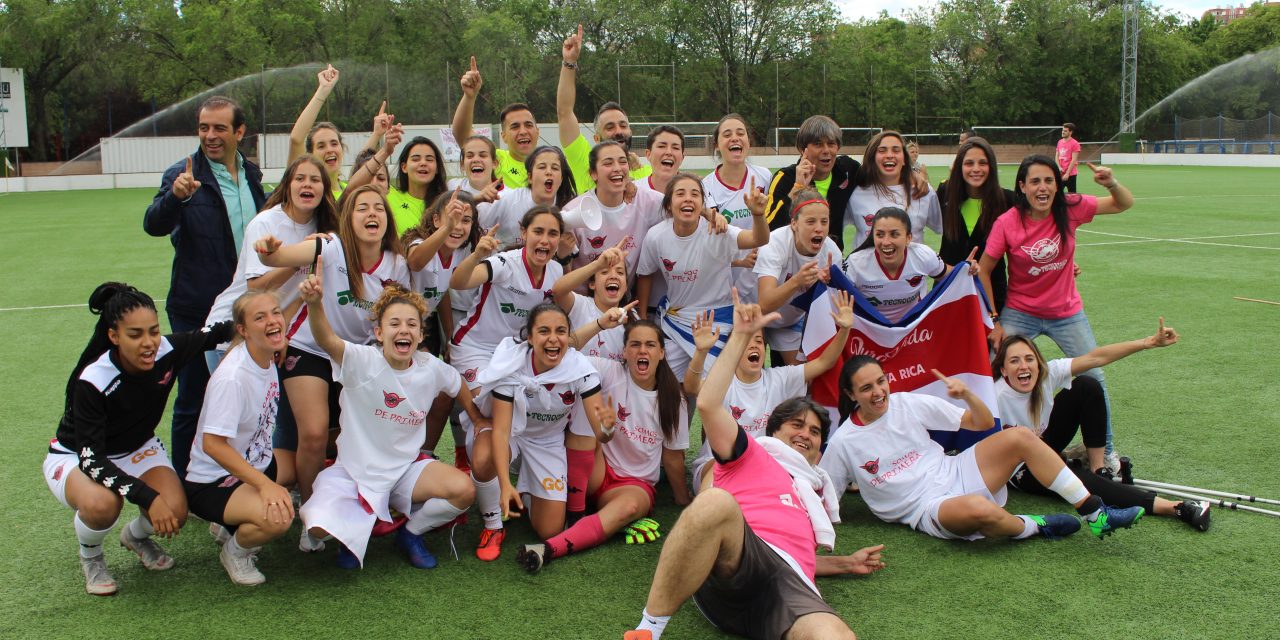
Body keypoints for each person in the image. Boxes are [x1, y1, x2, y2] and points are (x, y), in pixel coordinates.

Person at [625, 292, 886, 640]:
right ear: (773, 432)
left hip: (789, 585)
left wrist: (845, 562)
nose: (806, 435)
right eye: (797, 425)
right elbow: (707, 403)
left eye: (814, 432)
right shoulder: (754, 453)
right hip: (737, 558)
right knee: (715, 500)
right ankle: (649, 629)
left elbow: (795, 556)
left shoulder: (818, 492)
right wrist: (740, 335)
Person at [820, 356, 1144, 541]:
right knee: (979, 510)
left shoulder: (906, 403)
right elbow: (826, 498)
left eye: (881, 381)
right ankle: (1035, 526)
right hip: (926, 507)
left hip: (954, 469)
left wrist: (967, 396)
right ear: (851, 395)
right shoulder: (844, 441)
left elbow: (983, 422)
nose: (878, 392)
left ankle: (1095, 513)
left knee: (1020, 437)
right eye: (866, 387)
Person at [45, 283, 233, 595]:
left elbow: (218, 331)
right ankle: (91, 557)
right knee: (103, 504)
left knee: (175, 511)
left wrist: (268, 323)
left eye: (153, 331)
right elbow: (93, 461)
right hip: (77, 456)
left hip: (136, 448)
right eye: (135, 335)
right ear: (114, 336)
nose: (148, 343)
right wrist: (148, 497)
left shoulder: (167, 351)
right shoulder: (92, 380)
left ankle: (134, 536)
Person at [255, 184, 410, 552]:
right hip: (309, 347)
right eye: (362, 208)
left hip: (356, 356)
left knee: (357, 435)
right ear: (347, 219)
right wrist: (269, 250)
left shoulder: (396, 265)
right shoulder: (330, 247)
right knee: (313, 433)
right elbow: (277, 258)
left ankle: (355, 503)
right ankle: (312, 515)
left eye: (378, 208)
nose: (372, 214)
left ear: (387, 219)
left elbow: (399, 318)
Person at [297, 273, 480, 569]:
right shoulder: (362, 361)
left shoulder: (430, 367)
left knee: (464, 490)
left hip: (405, 470)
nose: (403, 330)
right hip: (355, 473)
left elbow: (458, 383)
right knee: (316, 528)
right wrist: (315, 304)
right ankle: (352, 532)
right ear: (379, 333)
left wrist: (478, 419)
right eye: (394, 324)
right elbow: (327, 340)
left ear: (421, 335)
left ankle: (410, 534)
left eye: (411, 324)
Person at [978, 158, 1134, 470]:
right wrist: (994, 320)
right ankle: (988, 446)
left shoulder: (1070, 207)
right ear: (1022, 186)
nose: (1043, 188)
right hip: (1021, 311)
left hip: (1066, 313)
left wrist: (1112, 184)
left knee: (1094, 376)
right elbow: (984, 269)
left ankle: (1105, 455)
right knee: (991, 368)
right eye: (1035, 181)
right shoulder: (1008, 222)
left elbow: (1122, 204)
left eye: (1049, 181)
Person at [143, 95, 266, 478]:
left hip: (245, 305)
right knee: (194, 396)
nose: (210, 135)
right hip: (195, 305)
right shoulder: (182, 175)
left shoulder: (251, 174)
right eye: (203, 128)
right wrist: (175, 197)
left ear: (239, 132)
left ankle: (237, 475)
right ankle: (185, 483)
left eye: (219, 128)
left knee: (247, 392)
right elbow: (153, 223)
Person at [993, 326, 1210, 531]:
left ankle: (1099, 469)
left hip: (1043, 441)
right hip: (1020, 467)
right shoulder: (995, 397)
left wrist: (1148, 342)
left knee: (1086, 385)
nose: (1024, 366)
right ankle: (1175, 507)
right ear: (1003, 370)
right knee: (1079, 480)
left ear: (1038, 363)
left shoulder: (1046, 374)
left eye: (1029, 359)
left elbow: (1096, 357)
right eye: (1014, 361)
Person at [517, 319, 691, 572]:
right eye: (635, 344)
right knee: (587, 400)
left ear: (662, 353)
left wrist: (683, 498)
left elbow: (673, 458)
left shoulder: (674, 399)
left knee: (630, 507)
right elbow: (565, 350)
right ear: (624, 352)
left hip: (633, 484)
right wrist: (599, 324)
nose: (642, 351)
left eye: (650, 345)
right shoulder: (610, 370)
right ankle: (574, 514)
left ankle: (548, 549)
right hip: (595, 469)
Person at [448, 207, 571, 560]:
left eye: (552, 233)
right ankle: (492, 523)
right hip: (477, 352)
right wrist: (477, 255)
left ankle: (528, 482)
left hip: (517, 355)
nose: (544, 240)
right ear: (524, 232)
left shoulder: (557, 271)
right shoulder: (503, 263)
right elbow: (458, 282)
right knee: (488, 425)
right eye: (538, 232)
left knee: (522, 417)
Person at [466, 304, 614, 561]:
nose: (553, 339)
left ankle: (526, 493)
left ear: (568, 336)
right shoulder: (511, 365)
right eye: (544, 331)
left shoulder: (582, 370)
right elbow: (501, 432)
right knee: (483, 458)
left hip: (547, 441)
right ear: (530, 337)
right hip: (511, 433)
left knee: (550, 530)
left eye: (561, 331)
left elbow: (601, 436)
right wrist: (504, 484)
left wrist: (608, 427)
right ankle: (493, 525)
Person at [684, 290, 856, 492]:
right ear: (734, 349)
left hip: (765, 465)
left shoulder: (780, 378)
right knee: (719, 472)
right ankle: (710, 506)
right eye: (746, 341)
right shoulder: (723, 382)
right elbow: (692, 387)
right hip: (719, 461)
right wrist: (701, 351)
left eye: (758, 340)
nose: (754, 345)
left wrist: (844, 329)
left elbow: (824, 362)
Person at [183, 291, 295, 585]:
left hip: (255, 461)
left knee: (300, 467)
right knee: (279, 518)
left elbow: (279, 324)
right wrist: (265, 486)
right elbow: (212, 445)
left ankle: (229, 523)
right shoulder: (233, 378)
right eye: (260, 317)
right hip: (213, 481)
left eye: (275, 312)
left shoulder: (264, 352)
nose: (273, 321)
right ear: (243, 330)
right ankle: (235, 552)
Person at [203, 156, 340, 370]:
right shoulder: (265, 223)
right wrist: (297, 261)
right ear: (287, 186)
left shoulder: (323, 230)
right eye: (300, 178)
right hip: (231, 332)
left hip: (269, 333)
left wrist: (283, 333)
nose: (307, 184)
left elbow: (300, 296)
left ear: (324, 189)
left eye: (315, 180)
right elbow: (256, 290)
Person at [635, 173, 769, 379]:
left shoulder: (717, 231)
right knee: (666, 383)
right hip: (676, 321)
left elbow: (757, 239)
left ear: (702, 204)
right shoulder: (655, 236)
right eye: (680, 194)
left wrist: (758, 215)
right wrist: (643, 318)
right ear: (669, 205)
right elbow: (645, 274)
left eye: (695, 194)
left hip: (718, 321)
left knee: (716, 386)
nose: (688, 199)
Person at [557, 24, 652, 192]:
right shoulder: (584, 162)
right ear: (596, 138)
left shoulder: (647, 174)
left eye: (623, 125)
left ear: (630, 132)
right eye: (609, 127)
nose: (618, 131)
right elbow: (565, 112)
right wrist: (569, 62)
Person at [841, 207, 976, 324]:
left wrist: (966, 269)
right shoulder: (856, 264)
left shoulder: (923, 255)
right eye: (880, 235)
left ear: (908, 238)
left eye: (894, 234)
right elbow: (837, 296)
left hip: (913, 328)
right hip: (871, 331)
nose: (886, 242)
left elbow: (948, 276)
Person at [754, 189, 843, 363]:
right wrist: (797, 281)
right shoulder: (775, 244)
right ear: (794, 224)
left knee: (802, 376)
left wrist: (826, 287)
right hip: (754, 315)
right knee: (750, 370)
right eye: (810, 222)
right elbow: (764, 304)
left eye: (824, 222)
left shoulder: (832, 254)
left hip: (790, 320)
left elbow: (834, 310)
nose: (819, 228)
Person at [561, 141, 663, 279]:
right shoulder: (572, 212)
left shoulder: (647, 201)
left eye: (623, 162)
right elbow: (564, 275)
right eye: (608, 163)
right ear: (593, 173)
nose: (617, 168)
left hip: (626, 292)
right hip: (582, 292)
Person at [935, 138, 1014, 313]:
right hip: (948, 289)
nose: (976, 169)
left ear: (991, 166)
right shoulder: (945, 193)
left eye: (983, 163)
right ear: (960, 167)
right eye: (969, 163)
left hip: (992, 291)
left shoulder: (1007, 200)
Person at [701, 114, 774, 302]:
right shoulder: (705, 187)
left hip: (761, 277)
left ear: (749, 141)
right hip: (724, 284)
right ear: (717, 145)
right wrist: (738, 261)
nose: (735, 138)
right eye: (727, 135)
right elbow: (706, 248)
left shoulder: (765, 177)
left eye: (741, 133)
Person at [285, 64, 379, 198]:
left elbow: (363, 163)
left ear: (342, 148)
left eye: (334, 143)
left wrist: (377, 134)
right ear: (310, 155)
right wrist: (323, 91)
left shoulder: (349, 191)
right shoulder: (309, 193)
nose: (329, 150)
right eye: (321, 146)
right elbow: (296, 139)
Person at [452, 56, 542, 189]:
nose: (523, 131)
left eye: (528, 125)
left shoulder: (549, 165)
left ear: (537, 131)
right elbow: (461, 133)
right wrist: (469, 96)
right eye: (515, 127)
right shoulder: (496, 159)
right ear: (503, 136)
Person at [765, 116, 859, 239]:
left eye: (831, 144)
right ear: (802, 149)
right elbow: (769, 227)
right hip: (793, 251)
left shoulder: (847, 170)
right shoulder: (785, 178)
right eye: (818, 144)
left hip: (833, 251)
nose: (826, 150)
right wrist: (798, 188)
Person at [845, 130, 942, 250]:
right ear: (872, 157)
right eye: (882, 150)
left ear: (904, 159)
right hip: (865, 263)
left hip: (912, 263)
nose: (890, 155)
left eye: (896, 150)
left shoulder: (923, 191)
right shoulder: (855, 193)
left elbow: (944, 230)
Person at [476, 145, 578, 248]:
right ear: (530, 177)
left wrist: (562, 255)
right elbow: (471, 220)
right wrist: (476, 199)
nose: (549, 172)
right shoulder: (507, 199)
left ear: (561, 179)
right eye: (542, 167)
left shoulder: (568, 209)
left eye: (555, 168)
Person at [553, 238, 631, 362]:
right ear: (592, 284)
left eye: (620, 272)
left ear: (626, 286)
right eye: (604, 272)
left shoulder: (633, 318)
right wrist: (597, 264)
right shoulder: (580, 305)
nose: (613, 276)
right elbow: (558, 290)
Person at [635, 126, 688, 198]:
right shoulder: (633, 192)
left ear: (682, 157)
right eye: (661, 146)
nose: (669, 152)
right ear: (648, 154)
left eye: (675, 148)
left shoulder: (697, 192)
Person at [447, 135, 503, 203]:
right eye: (470, 156)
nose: (476, 160)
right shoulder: (452, 186)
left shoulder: (507, 195)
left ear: (494, 163)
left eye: (483, 155)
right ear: (462, 165)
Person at [1056, 123, 1082, 194]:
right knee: (1057, 194)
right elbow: (1057, 156)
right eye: (1062, 130)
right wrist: (1059, 167)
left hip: (1071, 174)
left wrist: (1067, 173)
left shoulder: (1075, 143)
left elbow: (1074, 160)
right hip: (1060, 173)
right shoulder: (1059, 142)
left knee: (1072, 195)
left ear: (1070, 132)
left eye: (1065, 131)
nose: (1063, 132)